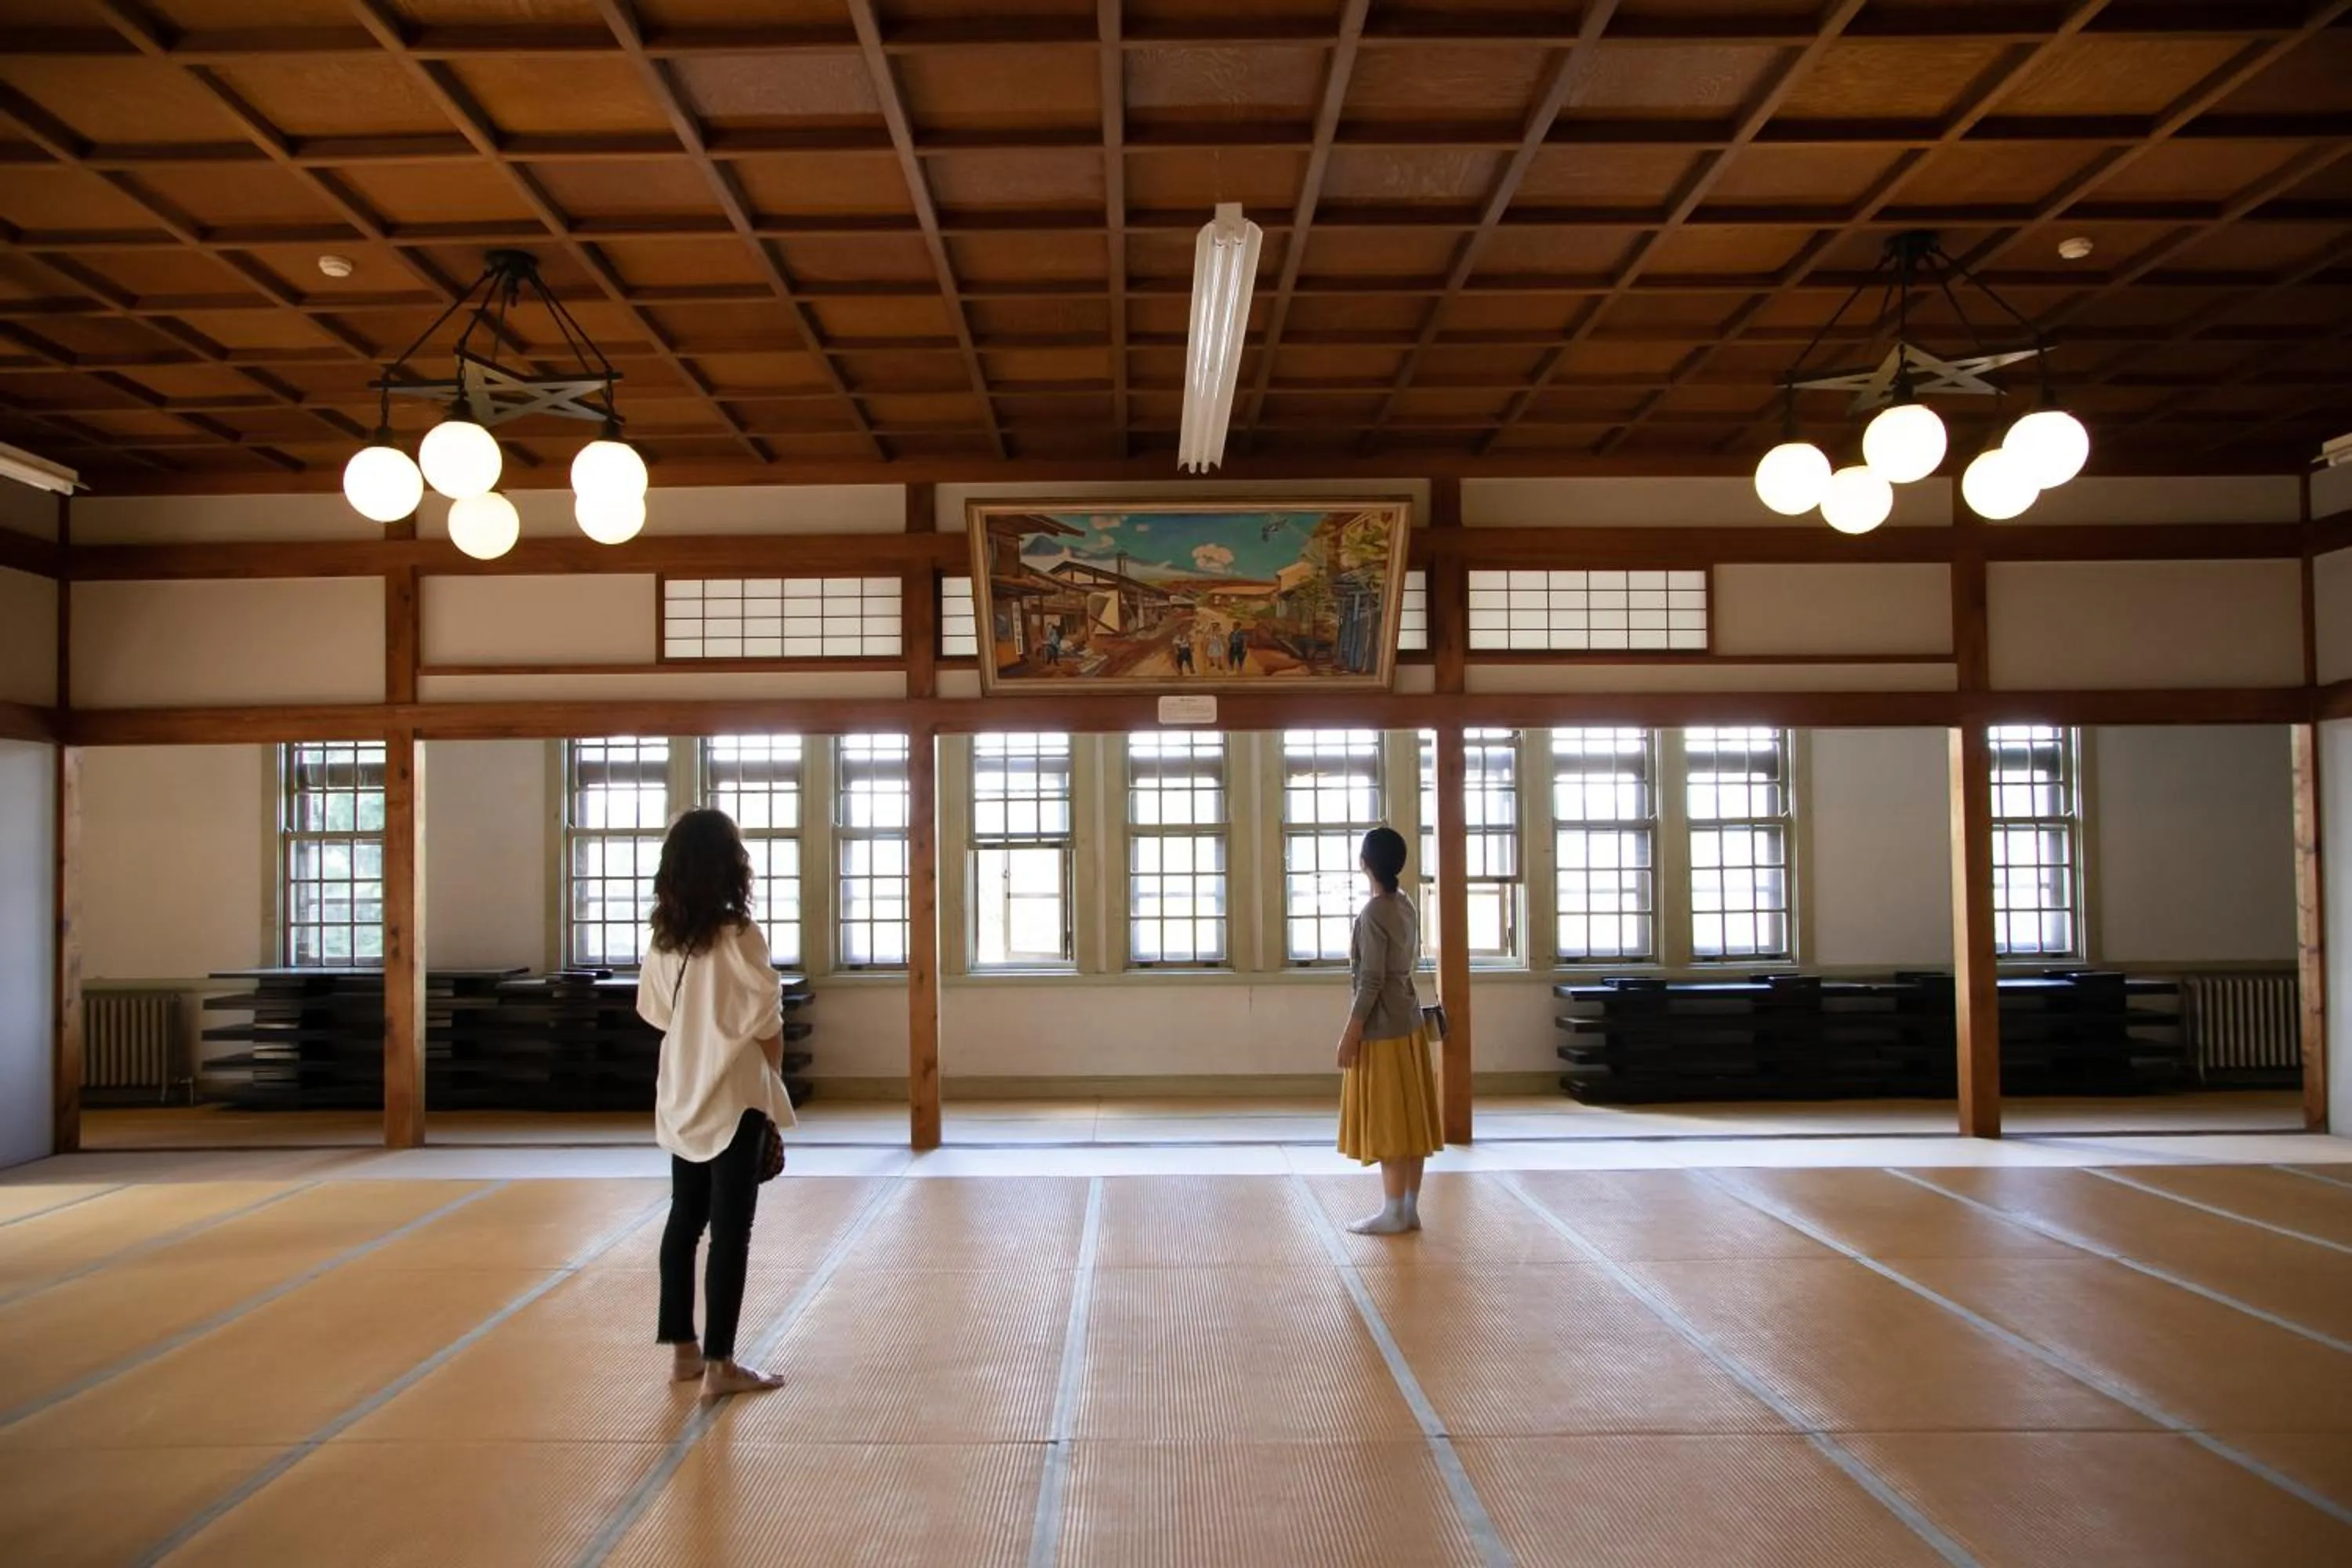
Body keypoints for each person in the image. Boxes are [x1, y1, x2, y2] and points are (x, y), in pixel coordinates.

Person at [637, 808, 797, 1399]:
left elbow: (656, 1014)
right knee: (732, 1229)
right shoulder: (740, 935)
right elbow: (766, 1018)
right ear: (731, 866)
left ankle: (683, 1350)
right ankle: (721, 1365)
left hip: (681, 1089)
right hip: (735, 1094)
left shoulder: (665, 940)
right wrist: (773, 1072)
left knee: (685, 1218)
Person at [1334, 826, 1442, 1234]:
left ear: (1365, 864)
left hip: (1382, 1029)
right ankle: (1408, 1207)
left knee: (1390, 1118)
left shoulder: (1373, 914)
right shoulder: (1405, 905)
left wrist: (1351, 1032)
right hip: (1410, 1021)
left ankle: (1394, 1210)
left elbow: (1371, 981)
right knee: (1411, 1116)